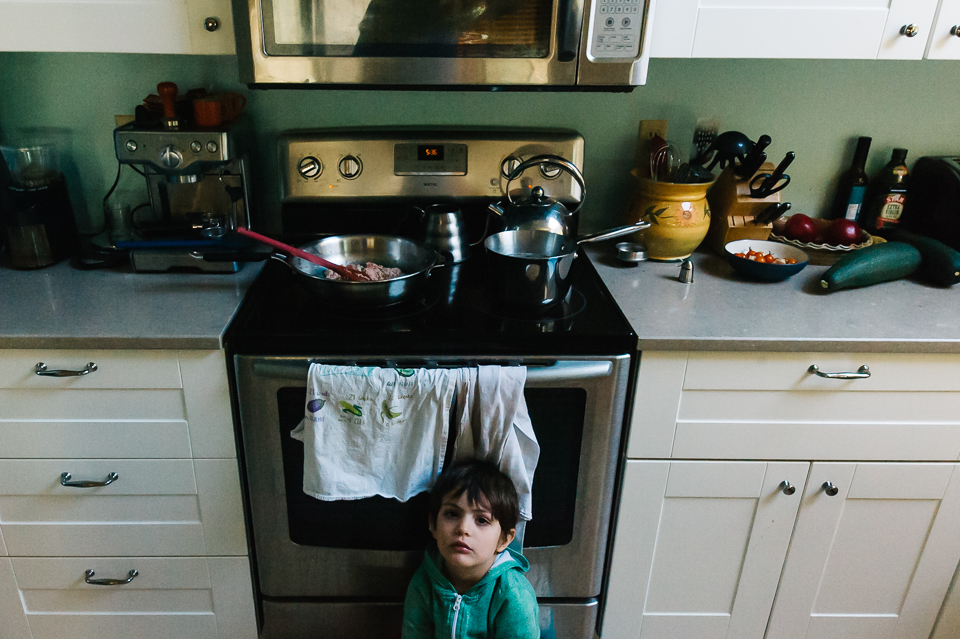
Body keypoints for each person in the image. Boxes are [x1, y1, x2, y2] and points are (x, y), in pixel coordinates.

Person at [402, 459, 540, 639]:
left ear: (504, 539)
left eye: (482, 520)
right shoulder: (424, 582)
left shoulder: (513, 595)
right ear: (433, 525)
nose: (463, 528)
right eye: (452, 514)